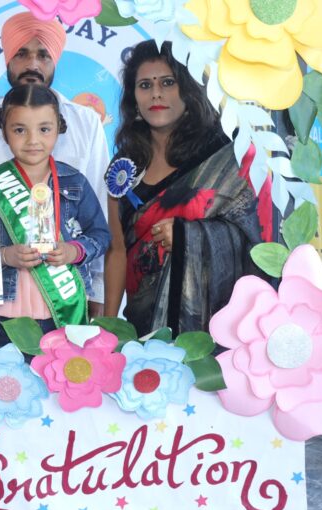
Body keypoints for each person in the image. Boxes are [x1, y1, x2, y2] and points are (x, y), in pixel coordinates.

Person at [104, 40, 264, 337]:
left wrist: (185, 236)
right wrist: (108, 329)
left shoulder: (224, 156)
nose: (156, 93)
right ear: (133, 99)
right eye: (144, 85)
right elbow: (117, 250)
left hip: (212, 332)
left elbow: (256, 240)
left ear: (189, 91)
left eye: (168, 82)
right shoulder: (125, 165)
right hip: (141, 328)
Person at [0, 11, 110, 318]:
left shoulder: (86, 121)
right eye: (22, 53)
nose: (32, 64)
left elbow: (99, 215)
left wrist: (97, 294)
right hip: (1, 296)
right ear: (7, 58)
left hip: (68, 294)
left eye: (43, 55)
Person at [0, 84, 110, 345]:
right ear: (4, 132)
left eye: (44, 129)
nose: (33, 140)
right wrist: (5, 255)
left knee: (65, 370)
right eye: (19, 130)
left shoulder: (75, 181)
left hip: (64, 308)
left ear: (59, 129)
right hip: (9, 314)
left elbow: (101, 235)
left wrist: (74, 251)